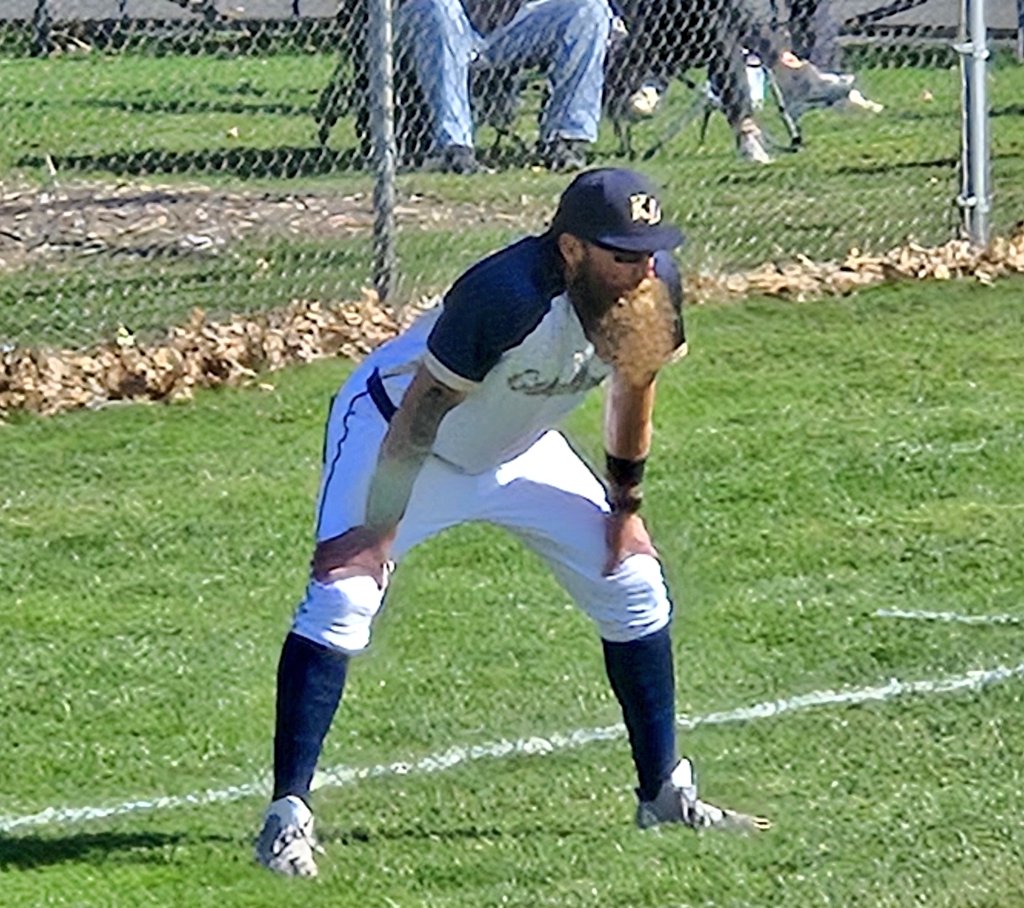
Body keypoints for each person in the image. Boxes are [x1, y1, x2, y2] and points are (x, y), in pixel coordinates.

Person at [253, 167, 770, 879]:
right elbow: (421, 415)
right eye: (622, 254)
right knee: (344, 597)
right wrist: (378, 530)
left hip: (518, 448)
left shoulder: (652, 290)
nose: (643, 268)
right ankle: (286, 817)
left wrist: (625, 510)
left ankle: (662, 795)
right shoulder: (507, 294)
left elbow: (634, 388)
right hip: (398, 437)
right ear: (571, 249)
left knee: (633, 584)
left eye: (650, 251)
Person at [394, 0, 621, 172]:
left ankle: (565, 141)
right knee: (437, 6)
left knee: (589, 9)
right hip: (442, 20)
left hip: (510, 24)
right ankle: (454, 149)